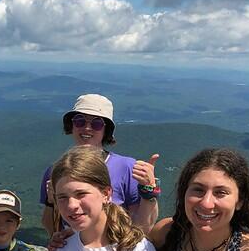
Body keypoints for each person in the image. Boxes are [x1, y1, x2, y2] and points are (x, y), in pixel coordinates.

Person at [39, 94, 159, 241]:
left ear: (105, 130)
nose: (87, 128)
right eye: (79, 121)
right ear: (72, 126)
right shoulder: (55, 171)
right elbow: (52, 229)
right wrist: (51, 202)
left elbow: (143, 228)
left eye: (96, 124)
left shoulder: (127, 168)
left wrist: (149, 191)